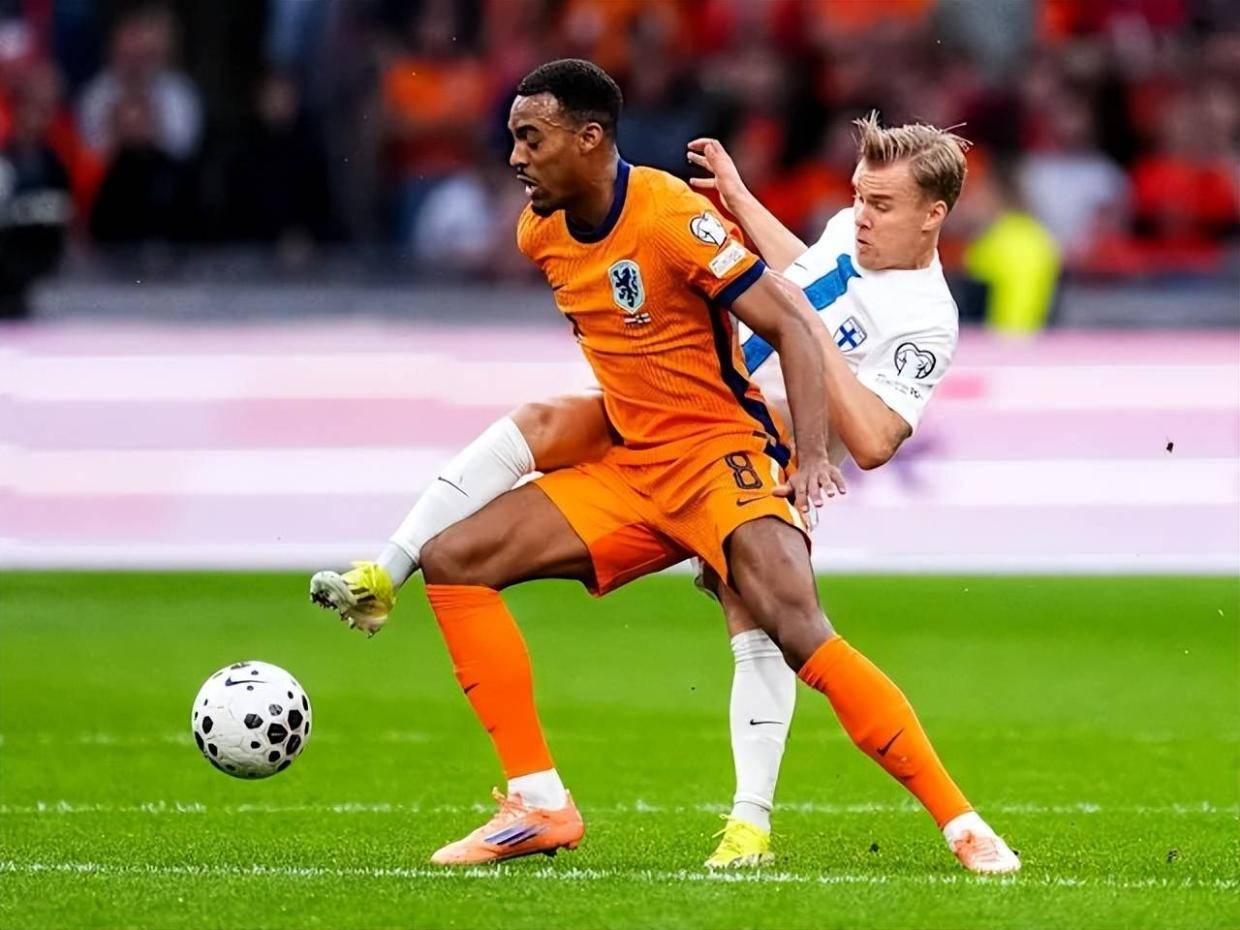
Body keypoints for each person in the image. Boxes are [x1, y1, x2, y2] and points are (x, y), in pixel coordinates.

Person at [314, 60, 1019, 874]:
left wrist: (806, 379)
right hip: (648, 440)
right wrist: (743, 200)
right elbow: (808, 278)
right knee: (467, 547)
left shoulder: (925, 321)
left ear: (934, 217)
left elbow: (863, 425)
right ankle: (536, 797)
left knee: (788, 629)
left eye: (881, 205)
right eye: (859, 195)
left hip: (737, 452)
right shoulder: (832, 235)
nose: (859, 215)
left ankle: (953, 824)